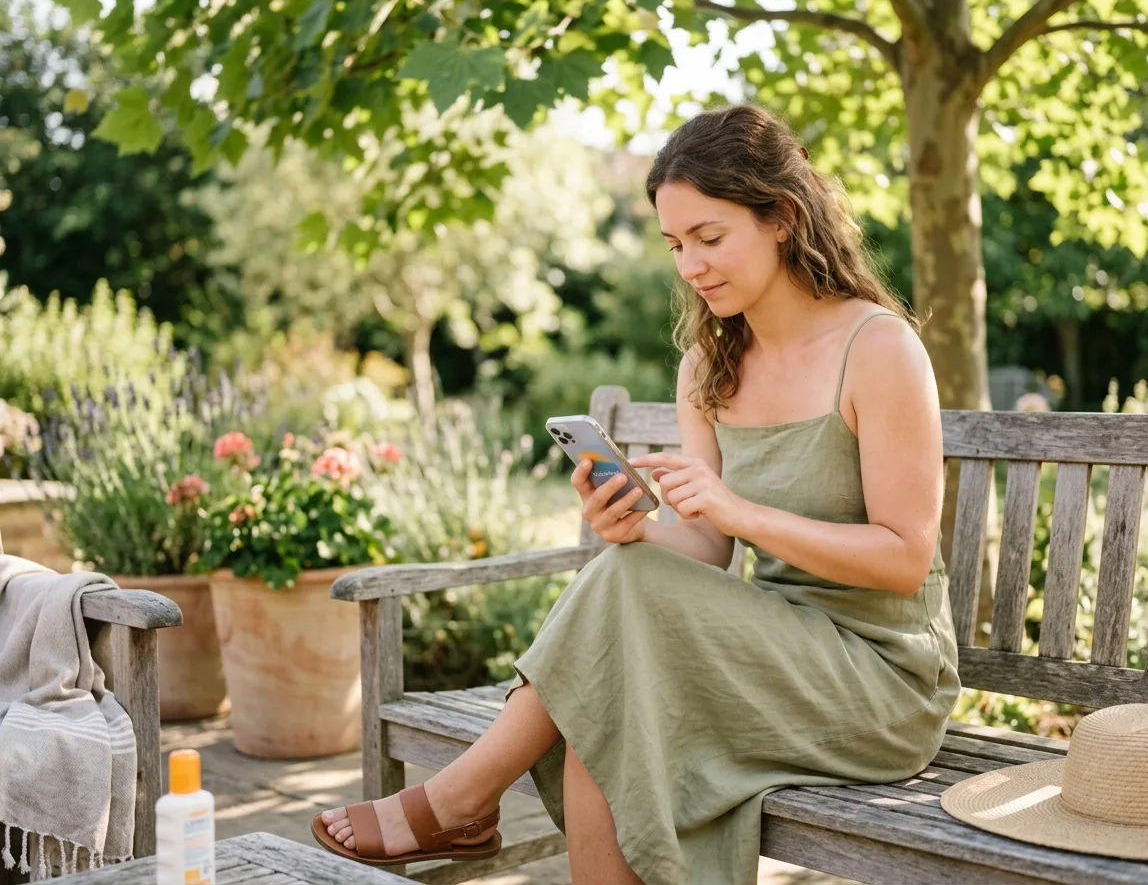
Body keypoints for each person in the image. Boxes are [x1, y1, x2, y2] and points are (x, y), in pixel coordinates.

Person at [313, 104, 961, 885]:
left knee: (612, 691)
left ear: (782, 217)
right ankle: (462, 801)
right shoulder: (710, 365)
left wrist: (738, 509)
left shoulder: (879, 348)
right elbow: (710, 552)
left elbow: (903, 558)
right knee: (612, 694)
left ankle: (462, 799)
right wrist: (634, 528)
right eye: (676, 244)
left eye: (710, 238)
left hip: (879, 683)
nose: (690, 266)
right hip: (765, 650)